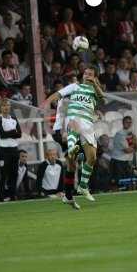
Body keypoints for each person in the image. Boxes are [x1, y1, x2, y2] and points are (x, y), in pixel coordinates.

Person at [44, 64, 104, 204]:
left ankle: (69, 194)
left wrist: (93, 115)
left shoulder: (84, 93)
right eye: (82, 76)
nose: (82, 80)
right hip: (63, 130)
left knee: (74, 163)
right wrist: (47, 103)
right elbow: (64, 112)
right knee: (74, 161)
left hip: (79, 127)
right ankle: (72, 191)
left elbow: (96, 102)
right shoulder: (69, 94)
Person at [0, 99, 22, 202]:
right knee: (3, 174)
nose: (6, 107)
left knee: (14, 173)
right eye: (4, 105)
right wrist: (13, 132)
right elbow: (1, 134)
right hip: (2, 149)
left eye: (8, 105)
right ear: (0, 107)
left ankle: (12, 195)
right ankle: (1, 198)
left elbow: (19, 134)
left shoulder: (13, 118)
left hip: (14, 148)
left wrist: (9, 133)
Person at [110, 116, 137, 189]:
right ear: (123, 123)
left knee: (128, 182)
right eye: (127, 122)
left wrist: (134, 139)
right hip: (118, 161)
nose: (129, 124)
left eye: (130, 122)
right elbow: (127, 150)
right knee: (119, 183)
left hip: (127, 160)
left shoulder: (131, 133)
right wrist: (135, 146)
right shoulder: (119, 134)